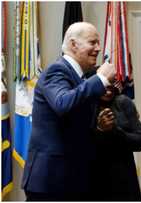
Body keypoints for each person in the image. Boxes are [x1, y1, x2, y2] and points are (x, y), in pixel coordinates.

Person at [21, 22, 116, 201]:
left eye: (98, 43)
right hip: (51, 182)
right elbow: (63, 103)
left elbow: (73, 125)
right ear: (74, 44)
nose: (98, 48)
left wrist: (99, 127)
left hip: (71, 180)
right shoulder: (57, 70)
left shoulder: (80, 78)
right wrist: (101, 79)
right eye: (92, 42)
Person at [89, 82, 141, 201]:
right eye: (104, 88)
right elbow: (83, 147)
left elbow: (140, 141)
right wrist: (100, 129)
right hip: (96, 180)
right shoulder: (87, 106)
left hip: (125, 178)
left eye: (111, 88)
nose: (108, 92)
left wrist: (115, 130)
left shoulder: (123, 102)